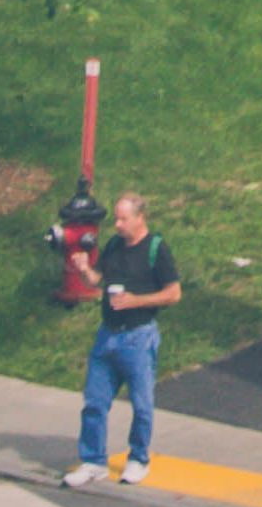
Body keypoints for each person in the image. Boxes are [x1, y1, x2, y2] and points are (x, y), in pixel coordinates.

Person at [62, 190, 181, 488]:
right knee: (94, 402)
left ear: (140, 219)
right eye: (116, 218)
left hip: (138, 337)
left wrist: (135, 301)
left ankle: (138, 458)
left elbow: (173, 293)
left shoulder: (156, 248)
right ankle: (93, 461)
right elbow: (97, 280)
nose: (117, 224)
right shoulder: (114, 245)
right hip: (108, 336)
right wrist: (84, 269)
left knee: (142, 405)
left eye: (123, 219)